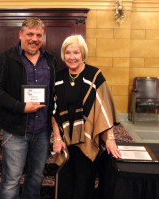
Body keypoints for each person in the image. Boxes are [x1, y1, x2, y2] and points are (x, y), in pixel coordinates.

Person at [0, 17, 57, 199]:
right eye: (30, 34)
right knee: (11, 180)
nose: (34, 38)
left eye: (38, 35)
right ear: (21, 34)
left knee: (36, 177)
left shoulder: (49, 60)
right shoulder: (6, 58)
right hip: (15, 131)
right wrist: (21, 107)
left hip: (42, 132)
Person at [51, 35, 122, 199]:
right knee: (65, 184)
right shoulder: (59, 77)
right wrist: (56, 138)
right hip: (65, 141)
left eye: (76, 52)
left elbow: (106, 108)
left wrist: (110, 138)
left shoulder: (95, 75)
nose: (72, 57)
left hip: (88, 139)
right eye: (68, 52)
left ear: (83, 54)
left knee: (84, 185)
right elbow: (54, 112)